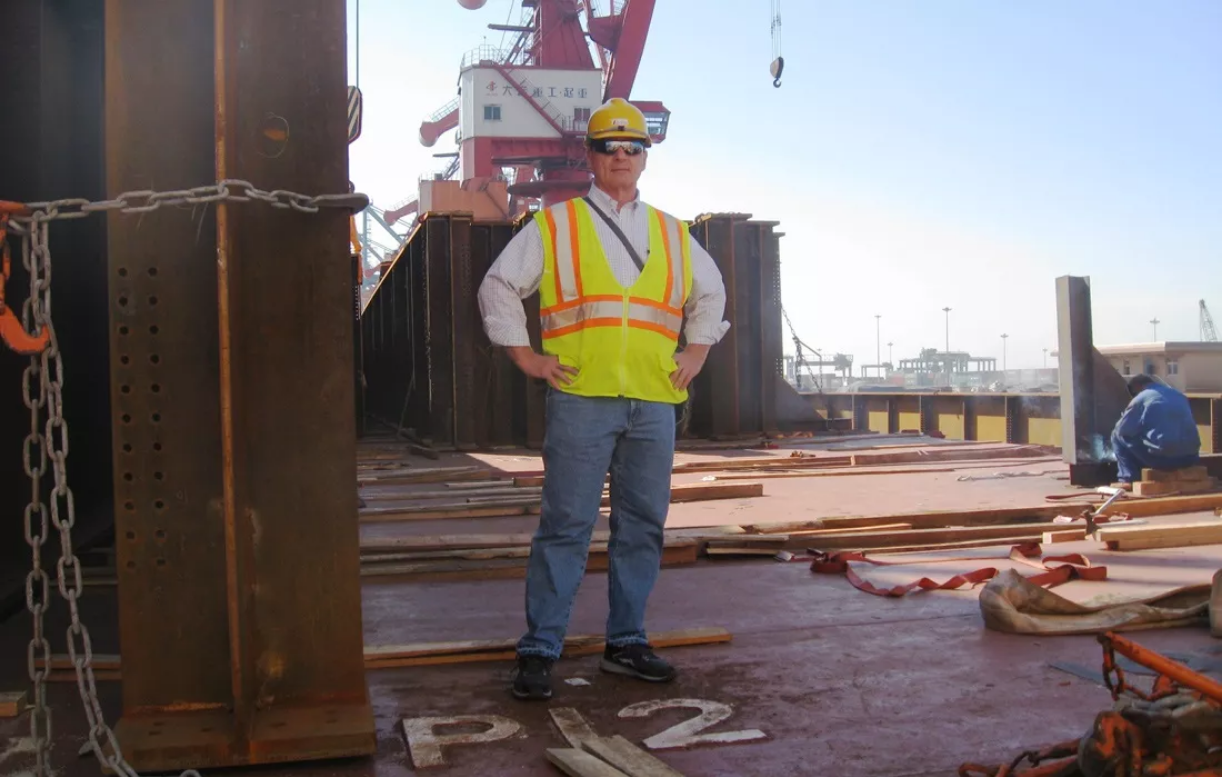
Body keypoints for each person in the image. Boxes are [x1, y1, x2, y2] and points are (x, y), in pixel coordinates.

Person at [477, 97, 730, 701]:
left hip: (653, 402)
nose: (621, 156)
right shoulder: (555, 226)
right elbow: (499, 286)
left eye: (632, 147)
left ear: (645, 158)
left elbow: (711, 294)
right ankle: (540, 648)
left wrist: (695, 353)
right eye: (609, 146)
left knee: (642, 526)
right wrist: (527, 357)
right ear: (589, 156)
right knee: (565, 525)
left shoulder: (674, 233)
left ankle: (627, 642)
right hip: (581, 398)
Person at [1110, 373, 1201, 483]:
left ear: (1136, 388)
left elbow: (1123, 430)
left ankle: (1128, 478)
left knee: (1116, 436)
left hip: (1164, 461)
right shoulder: (1178, 395)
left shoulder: (1141, 399)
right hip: (1190, 459)